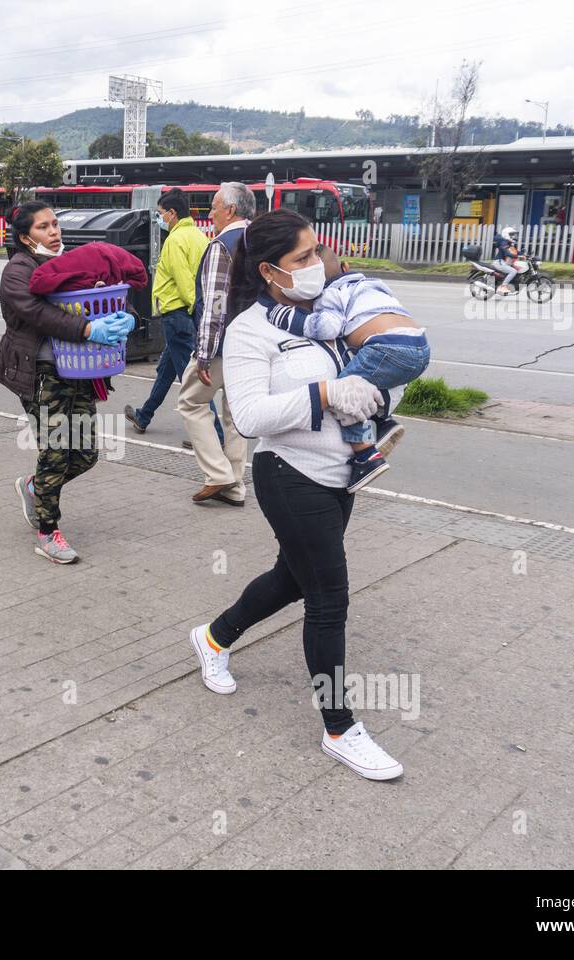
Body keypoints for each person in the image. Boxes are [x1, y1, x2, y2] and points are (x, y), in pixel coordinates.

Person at [187, 208, 405, 781]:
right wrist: (327, 391)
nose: (316, 265)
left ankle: (214, 637)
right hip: (290, 475)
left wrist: (379, 389)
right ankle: (340, 728)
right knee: (329, 598)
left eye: (317, 252)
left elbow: (374, 374)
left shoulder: (332, 313)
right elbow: (252, 416)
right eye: (302, 259)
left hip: (343, 475)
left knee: (293, 578)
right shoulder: (249, 330)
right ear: (269, 271)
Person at [0, 201, 133, 564]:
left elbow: (103, 296)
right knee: (55, 451)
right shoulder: (17, 270)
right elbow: (37, 312)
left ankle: (34, 487)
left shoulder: (72, 265)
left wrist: (126, 318)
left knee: (85, 455)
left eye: (55, 225)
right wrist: (88, 329)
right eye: (43, 227)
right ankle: (47, 529)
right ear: (25, 236)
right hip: (40, 373)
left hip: (79, 371)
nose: (54, 232)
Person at [267, 244, 430, 492]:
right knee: (361, 372)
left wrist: (287, 316)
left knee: (345, 391)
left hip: (387, 347)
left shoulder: (331, 293)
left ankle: (365, 455)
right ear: (346, 267)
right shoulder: (371, 284)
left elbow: (327, 328)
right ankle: (383, 421)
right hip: (420, 345)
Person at [176, 181, 254, 506]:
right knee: (235, 414)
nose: (210, 214)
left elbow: (214, 307)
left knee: (191, 403)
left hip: (223, 345)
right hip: (253, 345)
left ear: (230, 210)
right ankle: (235, 486)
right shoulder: (263, 240)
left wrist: (204, 354)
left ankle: (218, 474)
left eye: (213, 207)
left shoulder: (222, 246)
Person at [124, 188, 208, 434]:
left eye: (161, 214)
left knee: (192, 380)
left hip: (178, 315)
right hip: (185, 315)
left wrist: (195, 311)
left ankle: (212, 433)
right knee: (165, 371)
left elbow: (184, 281)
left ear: (172, 213)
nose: (160, 218)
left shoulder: (175, 239)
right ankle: (143, 416)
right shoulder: (199, 236)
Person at [491, 226, 524, 296]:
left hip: (504, 262)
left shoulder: (509, 243)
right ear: (506, 235)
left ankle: (512, 285)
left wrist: (523, 254)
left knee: (516, 269)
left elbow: (515, 252)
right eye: (511, 235)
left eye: (513, 235)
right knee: (513, 271)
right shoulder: (504, 243)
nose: (513, 236)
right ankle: (503, 286)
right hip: (499, 262)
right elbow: (508, 253)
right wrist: (518, 256)